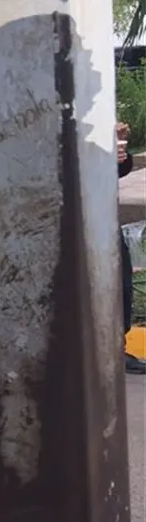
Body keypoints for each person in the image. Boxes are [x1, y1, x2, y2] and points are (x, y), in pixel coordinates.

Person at [117, 123, 145, 374]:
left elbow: (119, 170)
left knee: (121, 285)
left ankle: (116, 347)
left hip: (103, 220)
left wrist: (119, 155)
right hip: (71, 220)